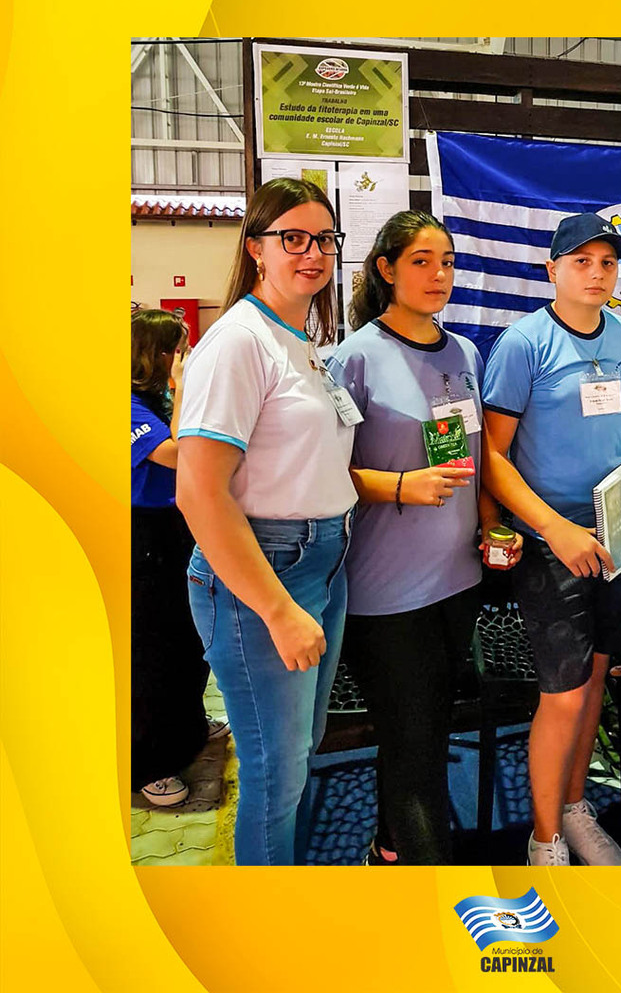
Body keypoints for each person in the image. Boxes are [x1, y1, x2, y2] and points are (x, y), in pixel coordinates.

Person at [327, 210, 520, 865]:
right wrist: (403, 485)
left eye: (447, 261)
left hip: (458, 580)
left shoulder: (465, 352)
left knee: (429, 727)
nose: (439, 274)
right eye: (420, 261)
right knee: (415, 741)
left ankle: (389, 844)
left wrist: (493, 524)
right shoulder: (353, 360)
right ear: (385, 270)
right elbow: (321, 476)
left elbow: (478, 457)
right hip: (386, 593)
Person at [176, 178, 358, 865]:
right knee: (274, 777)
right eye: (293, 238)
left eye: (324, 240)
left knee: (296, 757)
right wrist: (279, 611)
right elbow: (199, 493)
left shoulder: (299, 338)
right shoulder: (239, 341)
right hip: (269, 571)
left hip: (321, 561)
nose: (312, 253)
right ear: (257, 248)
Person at [482, 212, 621, 866]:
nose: (597, 273)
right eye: (581, 262)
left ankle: (577, 808)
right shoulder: (524, 344)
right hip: (554, 542)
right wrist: (552, 529)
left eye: (607, 263)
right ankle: (545, 837)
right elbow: (492, 457)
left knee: (602, 675)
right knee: (565, 692)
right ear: (552, 270)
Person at [131, 310, 230, 808]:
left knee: (189, 639)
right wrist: (182, 385)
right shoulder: (127, 408)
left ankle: (188, 728)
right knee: (153, 654)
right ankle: (150, 763)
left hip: (177, 530)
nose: (184, 359)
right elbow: (178, 452)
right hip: (144, 537)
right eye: (178, 350)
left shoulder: (156, 399)